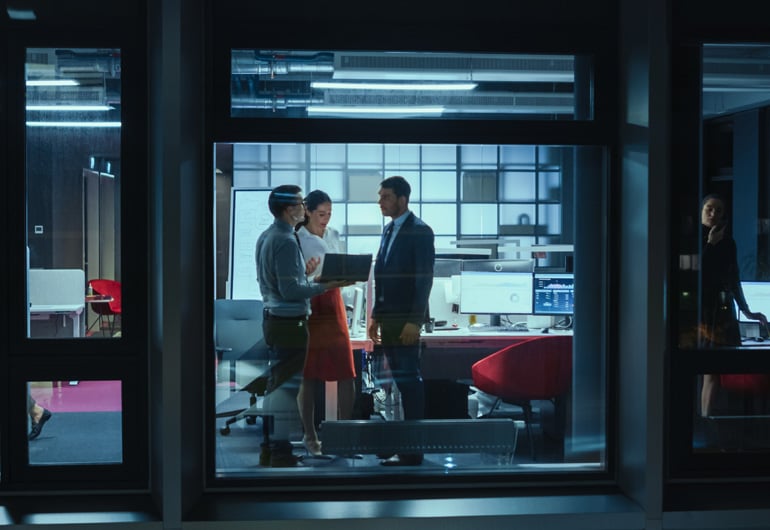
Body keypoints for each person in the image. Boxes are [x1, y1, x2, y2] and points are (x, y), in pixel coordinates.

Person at [254, 184, 348, 466]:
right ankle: (280, 452)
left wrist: (307, 278)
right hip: (288, 321)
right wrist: (323, 285)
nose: (303, 208)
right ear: (287, 209)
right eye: (298, 203)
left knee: (278, 387)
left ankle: (272, 448)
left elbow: (280, 282)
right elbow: (290, 291)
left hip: (273, 317)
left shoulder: (267, 235)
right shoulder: (284, 240)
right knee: (286, 389)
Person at [367, 176, 435, 466]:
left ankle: (413, 451)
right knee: (396, 385)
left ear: (402, 199)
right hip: (388, 321)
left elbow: (423, 279)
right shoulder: (388, 230)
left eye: (386, 197)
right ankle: (404, 446)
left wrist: (414, 322)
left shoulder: (420, 231)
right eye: (380, 196)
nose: (380, 201)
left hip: (405, 321)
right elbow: (382, 277)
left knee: (410, 385)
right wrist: (374, 316)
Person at [295, 190, 358, 456]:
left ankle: (344, 435)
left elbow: (341, 263)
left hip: (333, 302)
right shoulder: (296, 238)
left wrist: (350, 274)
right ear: (307, 211)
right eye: (321, 214)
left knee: (347, 371)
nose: (325, 219)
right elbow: (293, 279)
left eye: (329, 214)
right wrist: (312, 277)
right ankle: (310, 436)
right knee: (308, 374)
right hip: (310, 304)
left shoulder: (333, 235)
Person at [699, 193, 768, 416]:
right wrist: (709, 244)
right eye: (710, 208)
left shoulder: (728, 242)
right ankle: (705, 419)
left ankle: (714, 420)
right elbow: (696, 273)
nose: (713, 213)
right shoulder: (695, 239)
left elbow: (733, 278)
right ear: (702, 210)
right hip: (703, 309)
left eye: (719, 210)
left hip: (723, 309)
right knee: (709, 371)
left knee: (720, 369)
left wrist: (747, 311)